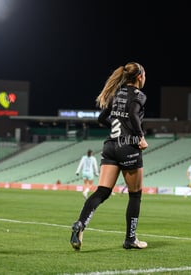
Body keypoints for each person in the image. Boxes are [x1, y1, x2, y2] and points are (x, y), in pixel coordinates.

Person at [70, 62, 148, 250]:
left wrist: (118, 130)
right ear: (139, 77)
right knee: (135, 195)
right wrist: (140, 137)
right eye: (145, 75)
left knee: (102, 191)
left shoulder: (117, 93)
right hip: (128, 147)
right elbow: (133, 114)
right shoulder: (139, 96)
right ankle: (130, 239)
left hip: (111, 146)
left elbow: (101, 118)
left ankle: (80, 224)